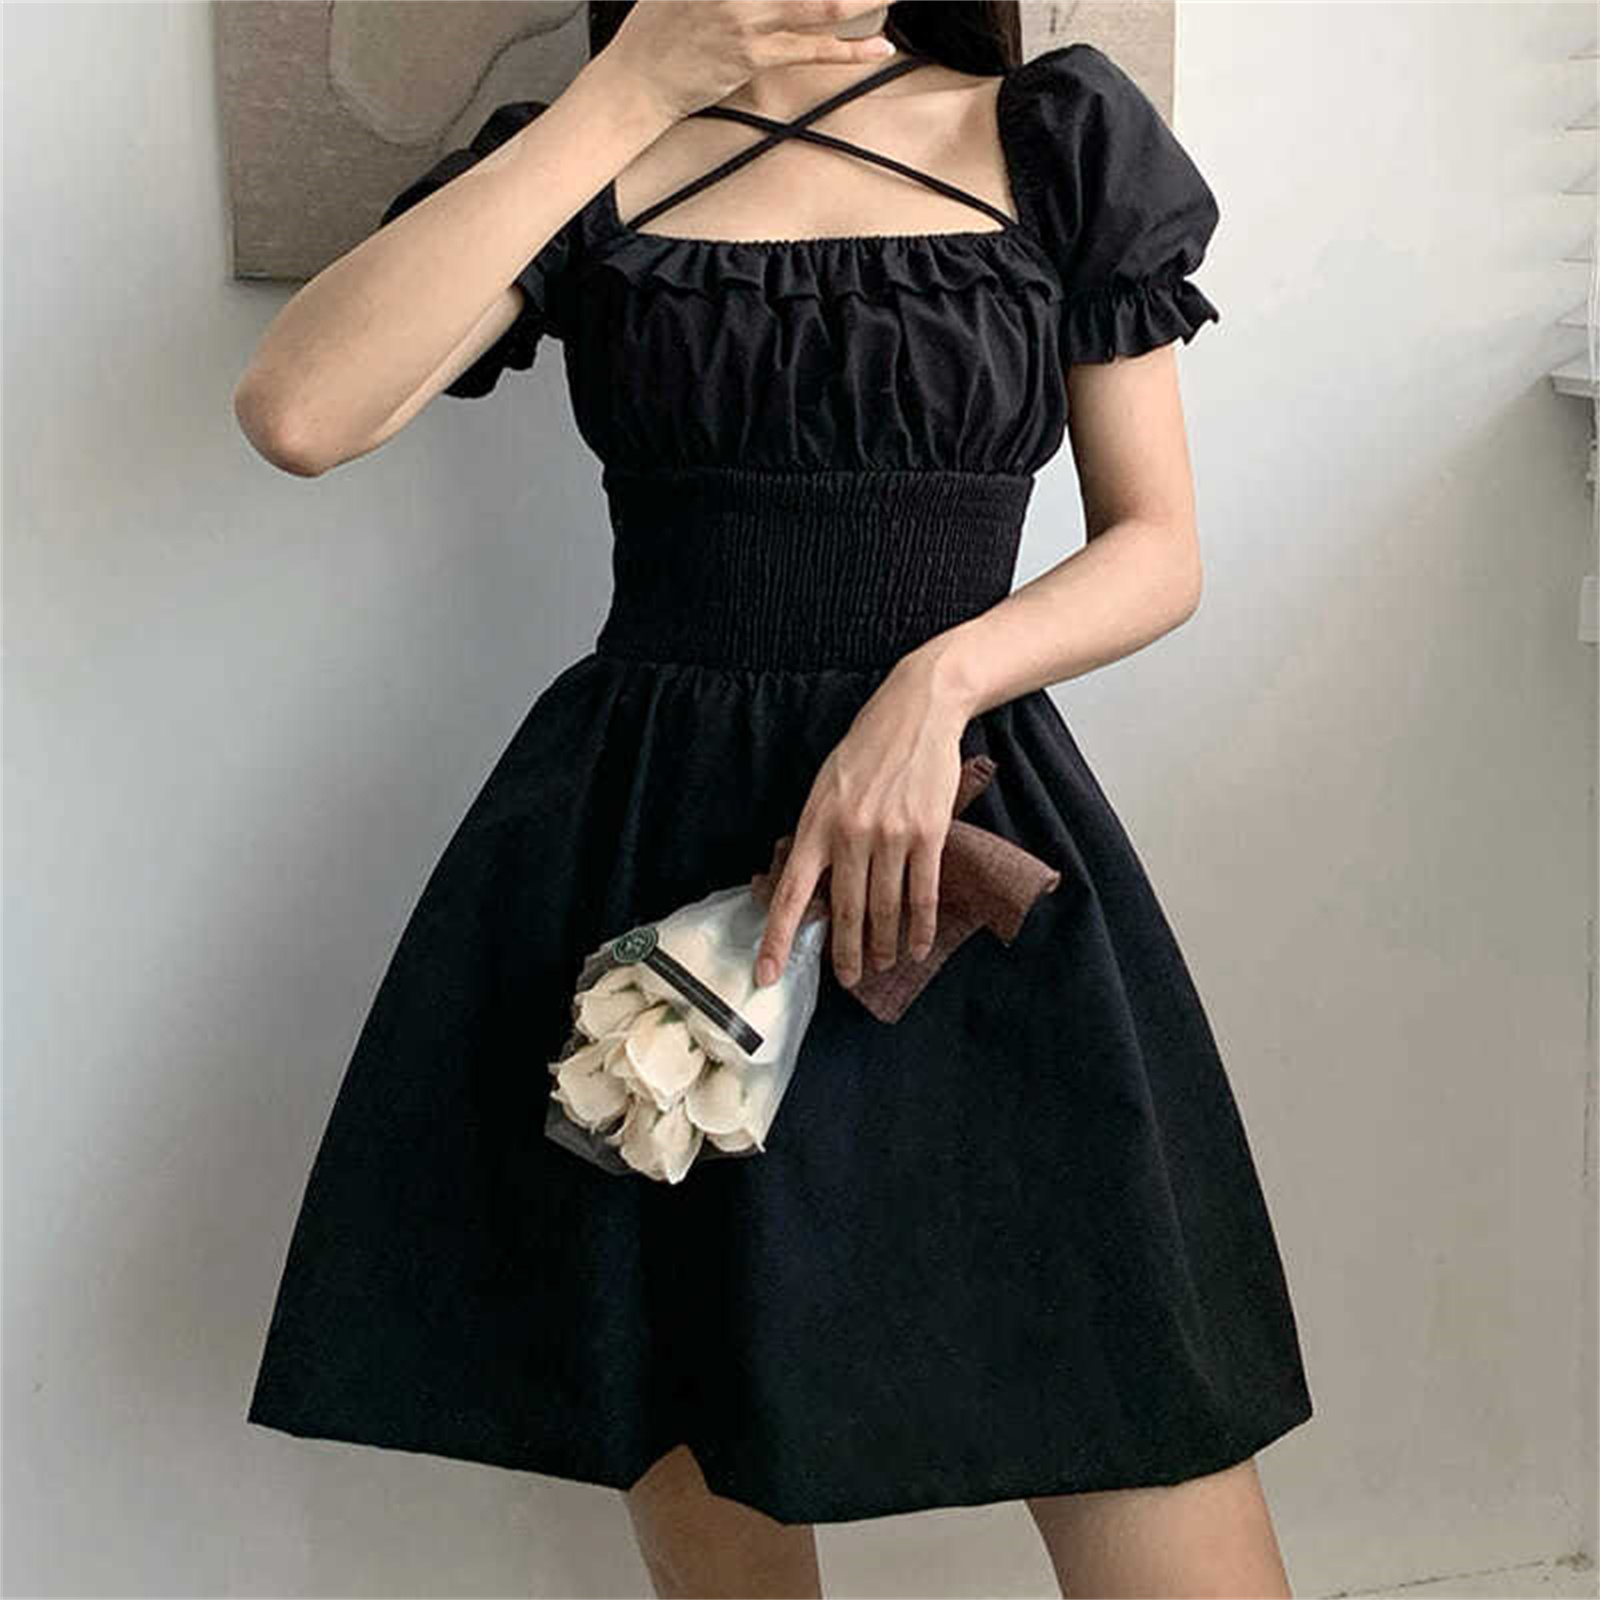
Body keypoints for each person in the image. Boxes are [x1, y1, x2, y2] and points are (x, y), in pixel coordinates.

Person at [235, 2, 1315, 1594]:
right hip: (648, 850)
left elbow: (1158, 546)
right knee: (704, 1425)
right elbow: (300, 413)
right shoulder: (592, 156)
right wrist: (626, 92)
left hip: (960, 844)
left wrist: (934, 685)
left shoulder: (1052, 140)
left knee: (1137, 1399)